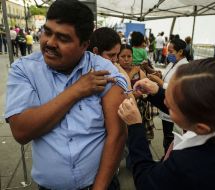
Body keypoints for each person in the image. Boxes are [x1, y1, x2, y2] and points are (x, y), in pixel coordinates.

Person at [5, 1, 128, 190]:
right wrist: (76, 91)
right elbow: (21, 131)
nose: (50, 43)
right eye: (47, 32)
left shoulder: (104, 70)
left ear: (84, 45)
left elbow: (117, 134)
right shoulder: (24, 70)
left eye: (63, 38)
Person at [118, 58, 215, 190]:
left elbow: (146, 180)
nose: (165, 101)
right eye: (168, 91)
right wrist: (157, 91)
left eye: (171, 106)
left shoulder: (188, 166)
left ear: (200, 128)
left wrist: (135, 125)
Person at [147, 38, 188, 154]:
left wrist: (159, 82)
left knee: (171, 138)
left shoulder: (184, 67)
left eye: (171, 51)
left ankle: (168, 159)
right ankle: (166, 157)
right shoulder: (172, 63)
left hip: (173, 108)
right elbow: (166, 78)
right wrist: (158, 75)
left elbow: (177, 88)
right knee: (167, 137)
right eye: (168, 51)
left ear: (180, 52)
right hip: (165, 105)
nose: (168, 54)